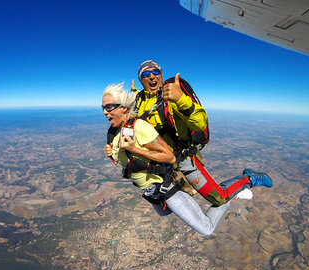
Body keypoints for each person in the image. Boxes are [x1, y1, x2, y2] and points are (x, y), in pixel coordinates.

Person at [102, 83, 250, 235]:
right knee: (164, 212)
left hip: (166, 189)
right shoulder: (114, 132)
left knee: (207, 228)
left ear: (123, 108)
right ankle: (190, 193)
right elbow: (128, 159)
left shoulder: (139, 127)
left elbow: (169, 157)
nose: (105, 113)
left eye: (109, 107)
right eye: (103, 108)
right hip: (150, 191)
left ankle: (234, 193)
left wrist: (134, 149)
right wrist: (112, 153)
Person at [131, 60, 273, 206]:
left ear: (161, 75)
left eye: (155, 72)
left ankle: (249, 178)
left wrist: (181, 99)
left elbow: (200, 123)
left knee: (219, 198)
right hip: (163, 163)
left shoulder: (171, 97)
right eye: (145, 74)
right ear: (141, 80)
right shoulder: (139, 101)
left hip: (184, 159)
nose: (152, 77)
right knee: (168, 205)